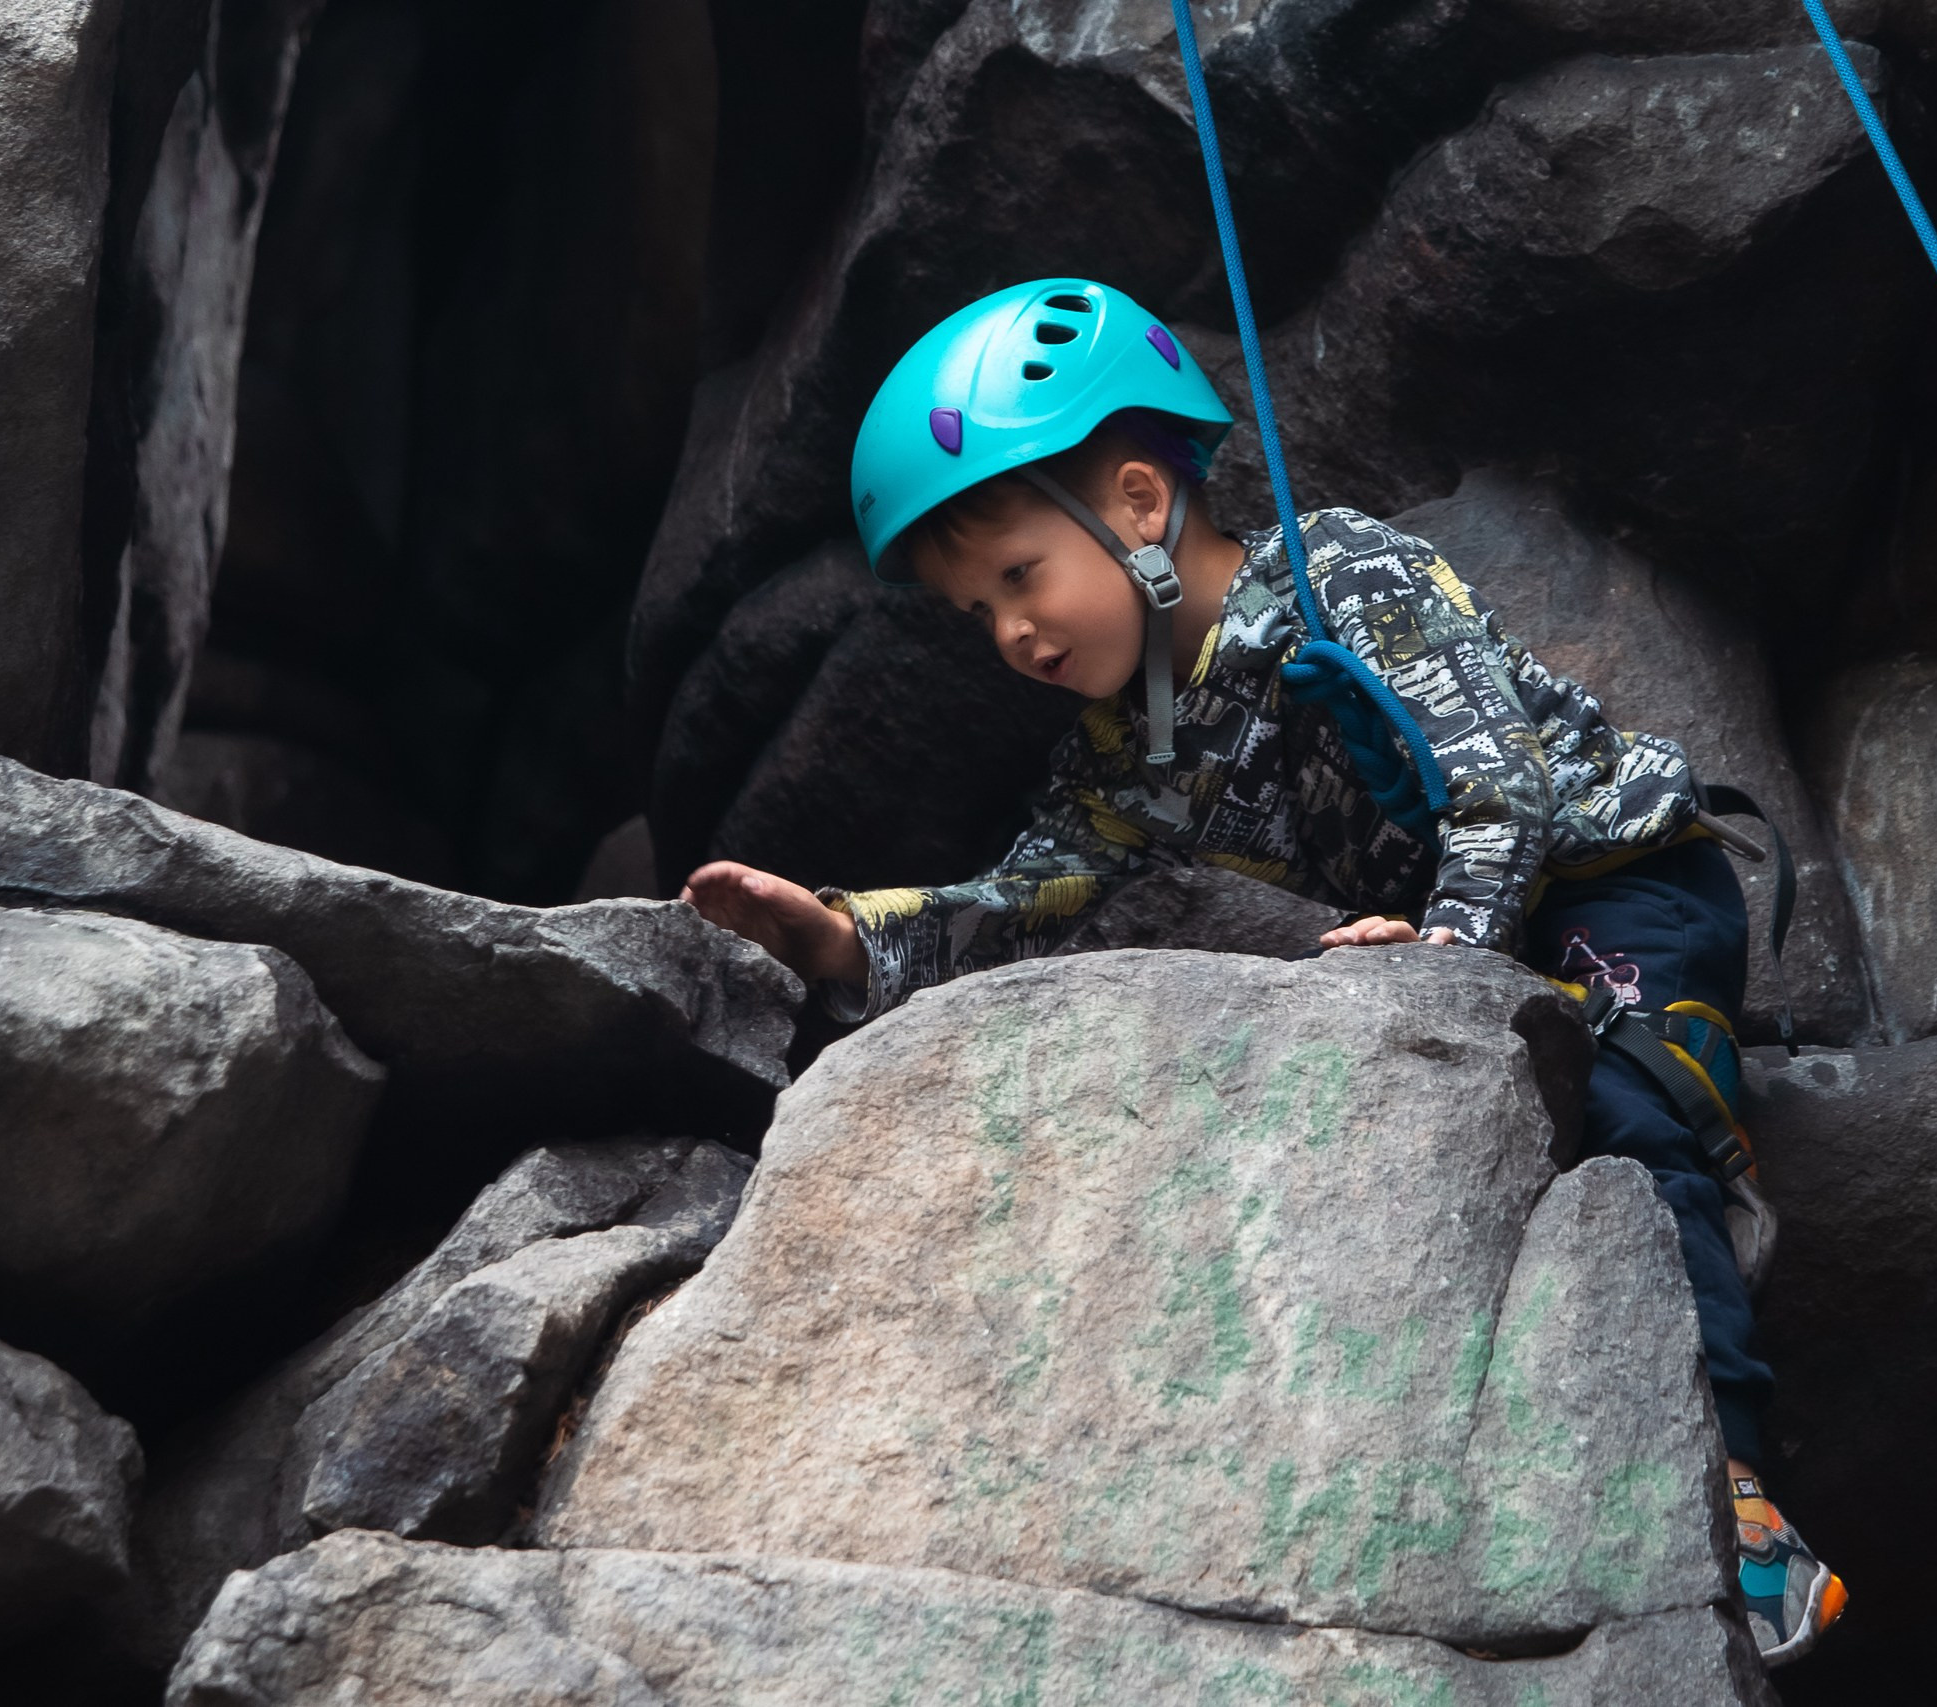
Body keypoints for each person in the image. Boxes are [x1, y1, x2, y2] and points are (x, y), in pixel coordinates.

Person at [682, 277, 1847, 1666]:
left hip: (1611, 886)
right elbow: (1027, 904)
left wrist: (1458, 952)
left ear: (1133, 503)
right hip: (1450, 956)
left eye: (1016, 578)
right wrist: (840, 935)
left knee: (1628, 1129)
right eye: (974, 612)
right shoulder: (1128, 752)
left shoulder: (1343, 576)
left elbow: (1499, 782)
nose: (1011, 634)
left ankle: (1736, 1508)